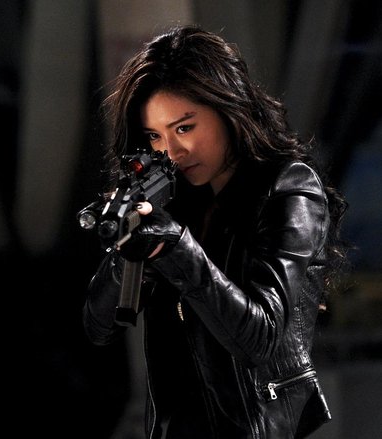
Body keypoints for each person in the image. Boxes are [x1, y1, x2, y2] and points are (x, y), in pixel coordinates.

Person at [82, 25, 348, 438]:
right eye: (154, 136)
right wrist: (129, 253)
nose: (171, 151)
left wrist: (175, 246)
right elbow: (99, 328)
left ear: (227, 110)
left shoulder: (289, 188)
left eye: (184, 127)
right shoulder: (178, 199)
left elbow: (260, 339)